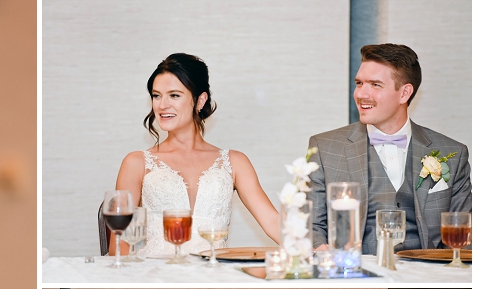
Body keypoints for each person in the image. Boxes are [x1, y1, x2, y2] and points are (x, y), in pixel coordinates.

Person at [308, 44, 471, 253]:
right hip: (355, 275)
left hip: (427, 278)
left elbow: (463, 234)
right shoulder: (325, 148)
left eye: (375, 85)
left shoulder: (453, 153)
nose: (361, 94)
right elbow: (312, 225)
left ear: (404, 93)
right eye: (359, 83)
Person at [114, 53, 280, 258]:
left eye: (174, 95)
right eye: (157, 96)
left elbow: (272, 221)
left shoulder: (235, 162)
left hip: (213, 278)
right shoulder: (136, 162)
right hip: (157, 278)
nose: (162, 105)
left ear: (200, 100)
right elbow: (119, 241)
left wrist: (314, 248)